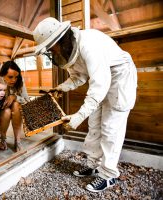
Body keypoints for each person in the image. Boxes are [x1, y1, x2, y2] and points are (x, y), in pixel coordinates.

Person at [33, 17, 137, 192]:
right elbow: (78, 77)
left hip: (120, 77)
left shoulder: (89, 44)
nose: (52, 52)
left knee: (111, 128)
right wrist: (60, 88)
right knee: (94, 124)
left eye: (51, 48)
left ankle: (108, 175)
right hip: (102, 80)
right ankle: (93, 165)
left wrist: (79, 115)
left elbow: (100, 84)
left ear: (60, 39)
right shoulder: (70, 49)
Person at [0, 61, 30, 152]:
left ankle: (17, 140)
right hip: (2, 110)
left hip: (17, 109)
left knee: (16, 105)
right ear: (2, 75)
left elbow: (27, 100)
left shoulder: (20, 82)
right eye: (10, 77)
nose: (14, 80)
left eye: (16, 77)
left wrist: (15, 97)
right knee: (6, 111)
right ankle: (3, 139)